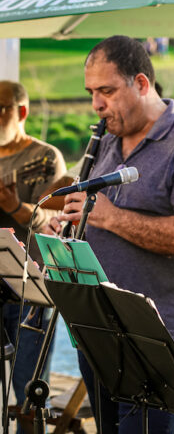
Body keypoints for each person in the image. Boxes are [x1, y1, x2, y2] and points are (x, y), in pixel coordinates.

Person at [49, 35, 174, 433]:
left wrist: (111, 218)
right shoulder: (107, 138)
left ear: (142, 84)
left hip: (159, 335)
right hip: (98, 326)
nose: (96, 103)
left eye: (107, 91)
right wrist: (63, 225)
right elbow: (87, 213)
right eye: (92, 92)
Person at [0, 80, 66, 410]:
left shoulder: (44, 157)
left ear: (21, 111)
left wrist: (14, 206)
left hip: (31, 286)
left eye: (0, 110)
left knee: (30, 389)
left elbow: (54, 223)